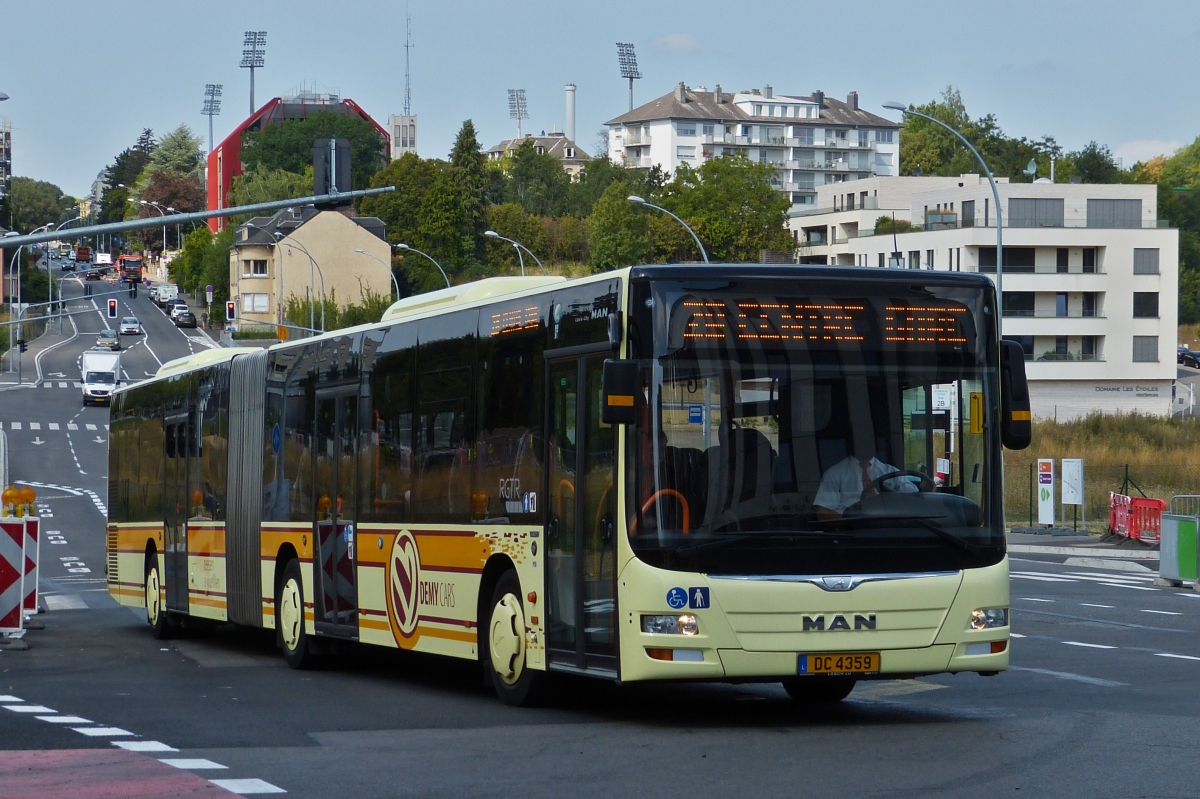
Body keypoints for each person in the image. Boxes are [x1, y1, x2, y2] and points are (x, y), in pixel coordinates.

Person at [814, 437, 931, 519]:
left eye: (868, 440)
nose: (864, 444)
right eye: (859, 439)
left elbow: (913, 499)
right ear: (849, 443)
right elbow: (823, 512)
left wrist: (924, 489)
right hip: (850, 534)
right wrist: (849, 524)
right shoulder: (834, 474)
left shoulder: (892, 472)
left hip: (888, 530)